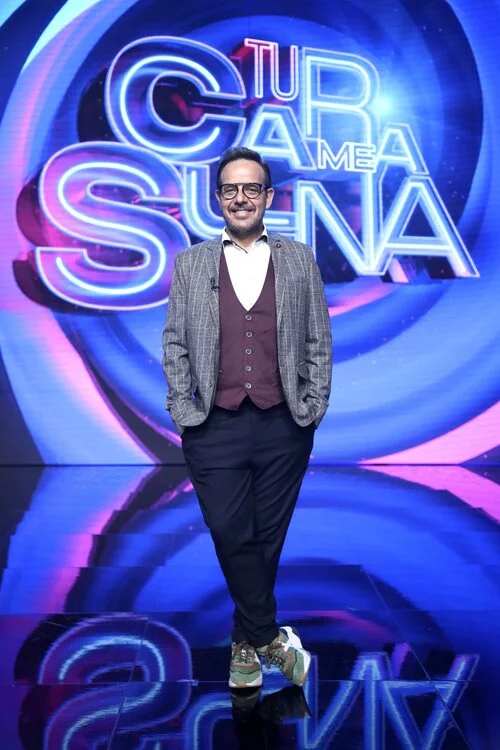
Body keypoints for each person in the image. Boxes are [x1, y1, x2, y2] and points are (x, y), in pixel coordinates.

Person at [162, 146, 332, 689]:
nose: (241, 198)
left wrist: (312, 406)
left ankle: (244, 648)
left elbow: (318, 338)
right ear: (218, 199)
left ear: (268, 197)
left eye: (251, 188)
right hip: (213, 423)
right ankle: (269, 640)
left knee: (267, 540)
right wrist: (184, 407)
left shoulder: (299, 259)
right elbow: (174, 341)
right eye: (230, 189)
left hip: (285, 424)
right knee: (230, 532)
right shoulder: (191, 263)